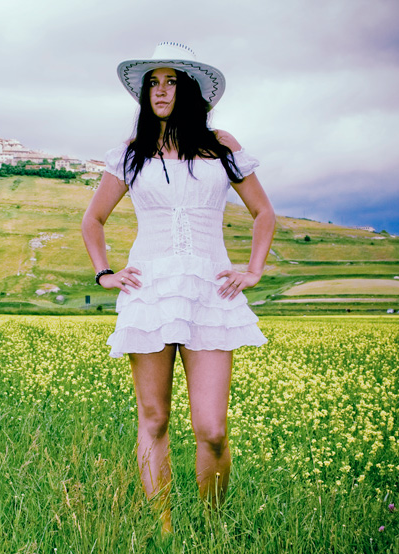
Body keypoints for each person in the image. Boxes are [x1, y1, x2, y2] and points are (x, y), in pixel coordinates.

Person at [81, 42, 275, 532]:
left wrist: (253, 270)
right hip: (149, 293)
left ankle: (214, 529)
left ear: (189, 89)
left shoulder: (222, 144)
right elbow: (93, 220)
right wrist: (106, 273)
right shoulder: (130, 154)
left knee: (211, 428)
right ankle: (163, 530)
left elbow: (263, 214)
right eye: (153, 82)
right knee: (155, 419)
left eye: (170, 81)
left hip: (211, 293)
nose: (160, 90)